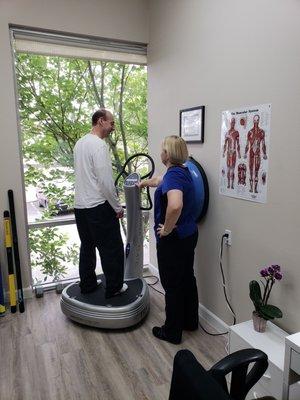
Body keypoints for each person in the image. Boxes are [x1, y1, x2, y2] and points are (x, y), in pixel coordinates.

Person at [139, 135, 199, 344]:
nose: (161, 151)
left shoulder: (174, 175)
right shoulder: (181, 171)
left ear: (168, 153)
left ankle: (172, 331)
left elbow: (175, 205)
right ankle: (190, 321)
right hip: (189, 234)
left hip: (174, 239)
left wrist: (166, 230)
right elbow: (159, 181)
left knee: (172, 285)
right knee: (187, 278)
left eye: (163, 149)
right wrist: (143, 183)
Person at [74, 108, 127, 298]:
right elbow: (105, 182)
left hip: (80, 207)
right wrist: (117, 207)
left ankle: (87, 284)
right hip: (98, 206)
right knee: (112, 248)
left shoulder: (80, 143)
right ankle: (114, 288)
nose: (113, 127)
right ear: (101, 121)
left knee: (87, 246)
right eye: (111, 123)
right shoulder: (99, 145)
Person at [244, 114, 267, 193]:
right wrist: (245, 153)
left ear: (259, 120)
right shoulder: (250, 132)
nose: (256, 122)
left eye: (257, 120)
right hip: (251, 154)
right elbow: (247, 144)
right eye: (255, 120)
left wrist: (264, 153)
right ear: (253, 121)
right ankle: (251, 188)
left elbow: (263, 144)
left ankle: (255, 189)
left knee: (256, 172)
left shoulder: (261, 132)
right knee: (250, 171)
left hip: (257, 154)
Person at [222, 117, 241, 189]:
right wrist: (223, 152)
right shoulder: (227, 133)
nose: (232, 123)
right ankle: (228, 184)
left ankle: (232, 185)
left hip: (234, 153)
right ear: (230, 123)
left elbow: (238, 144)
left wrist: (239, 153)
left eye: (234, 122)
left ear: (235, 123)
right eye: (231, 122)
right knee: (228, 169)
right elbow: (225, 144)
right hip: (228, 153)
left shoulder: (236, 133)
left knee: (232, 169)